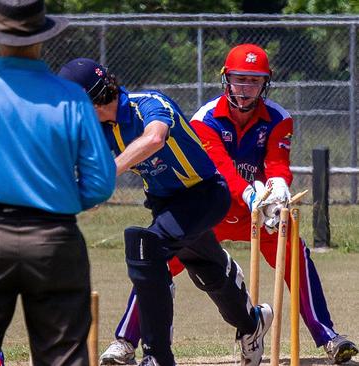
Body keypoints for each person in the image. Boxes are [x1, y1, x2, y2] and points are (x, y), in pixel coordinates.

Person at [100, 44, 359, 366]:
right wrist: (250, 193)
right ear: (226, 79)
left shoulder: (279, 117)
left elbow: (277, 162)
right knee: (157, 259)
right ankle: (125, 341)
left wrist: (278, 189)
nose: (245, 88)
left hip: (262, 213)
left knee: (296, 253)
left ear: (266, 82)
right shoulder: (204, 118)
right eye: (239, 79)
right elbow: (219, 167)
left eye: (254, 80)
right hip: (212, 210)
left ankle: (329, 338)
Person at [0, 1, 116, 365]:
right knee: (62, 356)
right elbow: (101, 183)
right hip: (54, 240)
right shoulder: (72, 97)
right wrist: (60, 198)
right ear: (43, 37)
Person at [59, 58, 272, 366]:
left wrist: (106, 172)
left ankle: (158, 356)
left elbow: (155, 138)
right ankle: (252, 323)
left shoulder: (148, 104)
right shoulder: (100, 130)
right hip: (165, 204)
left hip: (204, 193)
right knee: (207, 270)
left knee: (145, 247)